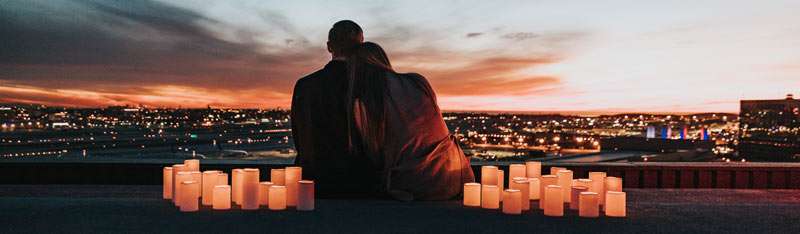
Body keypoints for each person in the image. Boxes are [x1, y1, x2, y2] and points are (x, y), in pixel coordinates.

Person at [347, 42, 475, 201]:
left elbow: (373, 154)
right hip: (457, 176)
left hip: (416, 185)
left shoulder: (365, 103)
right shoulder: (418, 81)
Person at [291, 20, 380, 197]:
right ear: (361, 48)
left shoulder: (304, 85)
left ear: (329, 47)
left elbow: (299, 138)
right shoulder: (370, 84)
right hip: (360, 183)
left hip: (312, 182)